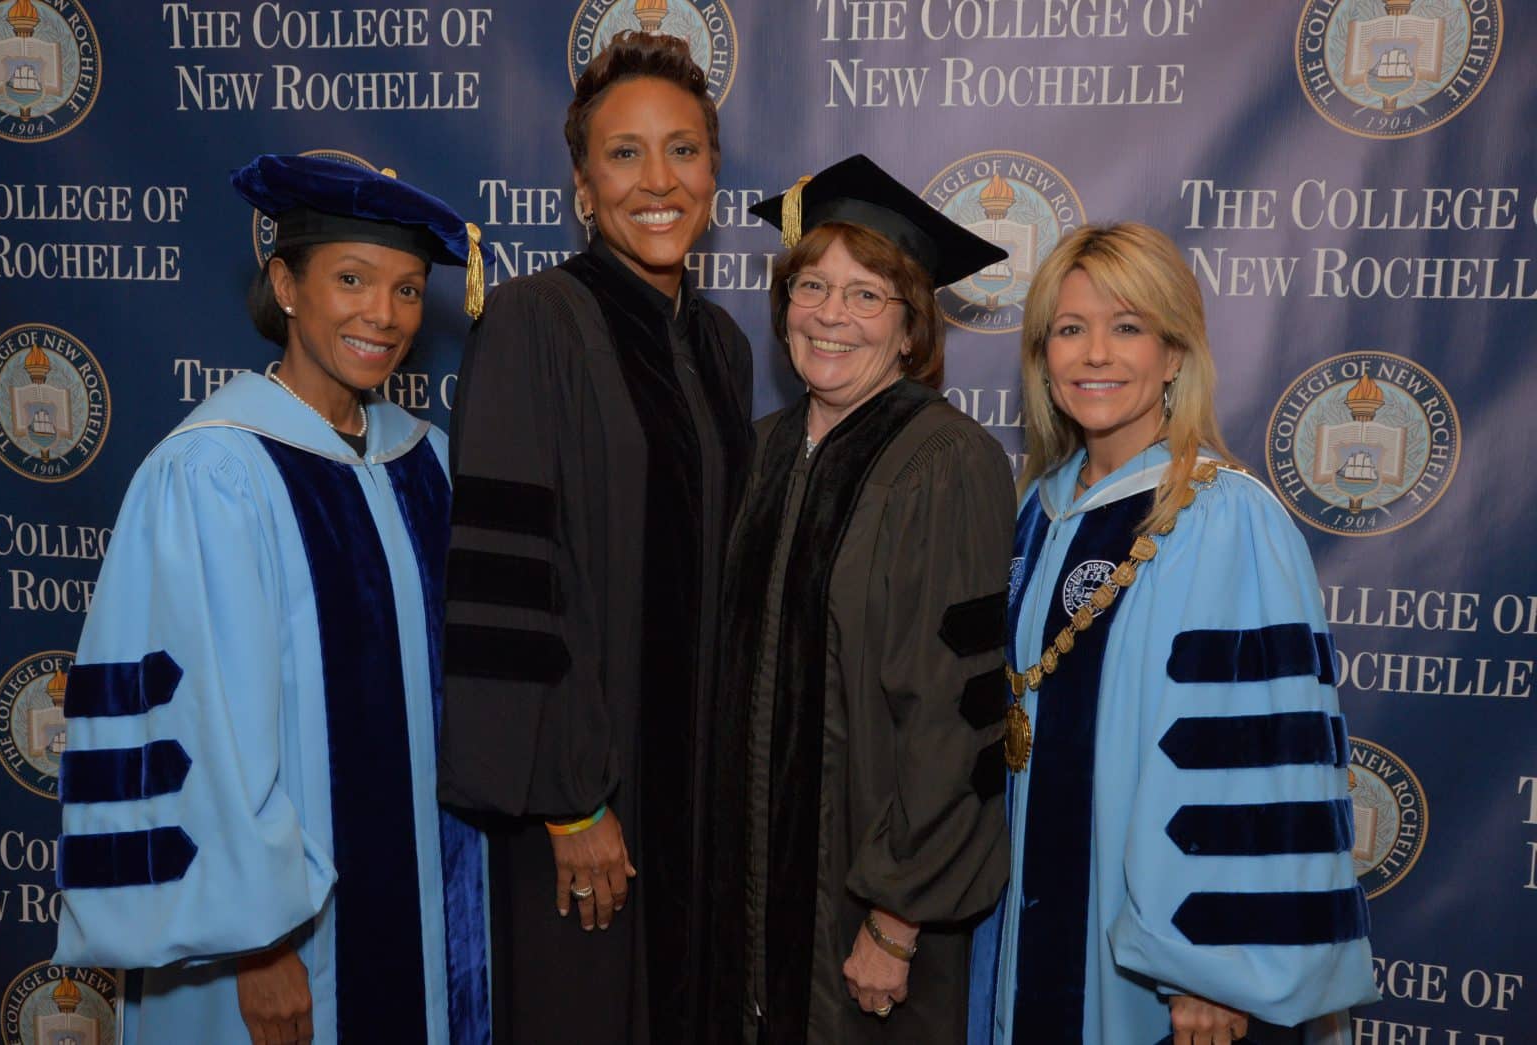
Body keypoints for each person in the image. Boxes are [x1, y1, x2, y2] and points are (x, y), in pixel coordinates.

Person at [52, 154, 490, 1045]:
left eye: (408, 290)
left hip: (418, 915)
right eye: (353, 280)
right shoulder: (214, 470)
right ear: (286, 284)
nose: (384, 314)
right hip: (280, 944)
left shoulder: (426, 460)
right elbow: (198, 729)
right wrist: (260, 944)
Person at [969, 222, 1378, 1045]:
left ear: (1175, 355)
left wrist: (1213, 966)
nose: (1095, 354)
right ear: (1042, 356)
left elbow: (1249, 760)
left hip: (1161, 972)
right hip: (1025, 918)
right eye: (1069, 329)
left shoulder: (1223, 517)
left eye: (1127, 328)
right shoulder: (1034, 508)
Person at [435, 31, 753, 1045]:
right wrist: (574, 802)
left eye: (683, 150)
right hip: (582, 808)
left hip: (696, 806)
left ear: (712, 171)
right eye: (623, 154)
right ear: (580, 183)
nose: (656, 181)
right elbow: (514, 586)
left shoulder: (720, 345)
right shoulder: (533, 323)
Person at [717, 153, 1016, 1044]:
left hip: (877, 902)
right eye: (811, 287)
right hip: (759, 891)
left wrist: (896, 916)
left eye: (864, 295)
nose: (829, 316)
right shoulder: (763, 450)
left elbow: (954, 714)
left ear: (911, 325)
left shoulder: (945, 462)